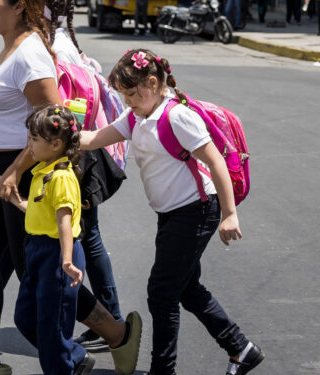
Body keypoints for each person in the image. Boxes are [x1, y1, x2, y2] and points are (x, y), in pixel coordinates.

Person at [0, 1, 141, 374]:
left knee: (38, 272)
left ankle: (117, 334)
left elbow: (56, 125)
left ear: (18, 7)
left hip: (24, 176)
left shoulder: (30, 54)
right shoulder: (12, 46)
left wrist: (15, 171)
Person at [79, 49, 265, 375]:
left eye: (133, 94)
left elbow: (216, 162)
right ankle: (241, 348)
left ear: (153, 83)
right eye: (123, 96)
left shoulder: (177, 117)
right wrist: (58, 132)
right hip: (171, 214)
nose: (128, 102)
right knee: (186, 289)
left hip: (196, 211)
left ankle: (163, 370)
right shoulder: (137, 116)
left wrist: (229, 213)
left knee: (161, 294)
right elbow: (94, 138)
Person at [44, 0, 125, 351]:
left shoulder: (55, 48)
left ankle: (112, 321)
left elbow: (61, 114)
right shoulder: (64, 42)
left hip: (74, 159)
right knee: (89, 237)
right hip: (82, 155)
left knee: (88, 237)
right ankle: (111, 320)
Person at [1, 105, 92, 374]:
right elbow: (41, 210)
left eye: (34, 139)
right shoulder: (43, 169)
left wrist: (66, 260)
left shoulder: (61, 176)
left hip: (57, 255)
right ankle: (74, 357)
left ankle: (64, 366)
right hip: (38, 251)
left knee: (52, 329)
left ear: (55, 144)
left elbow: (64, 221)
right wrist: (15, 199)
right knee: (25, 318)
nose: (29, 144)